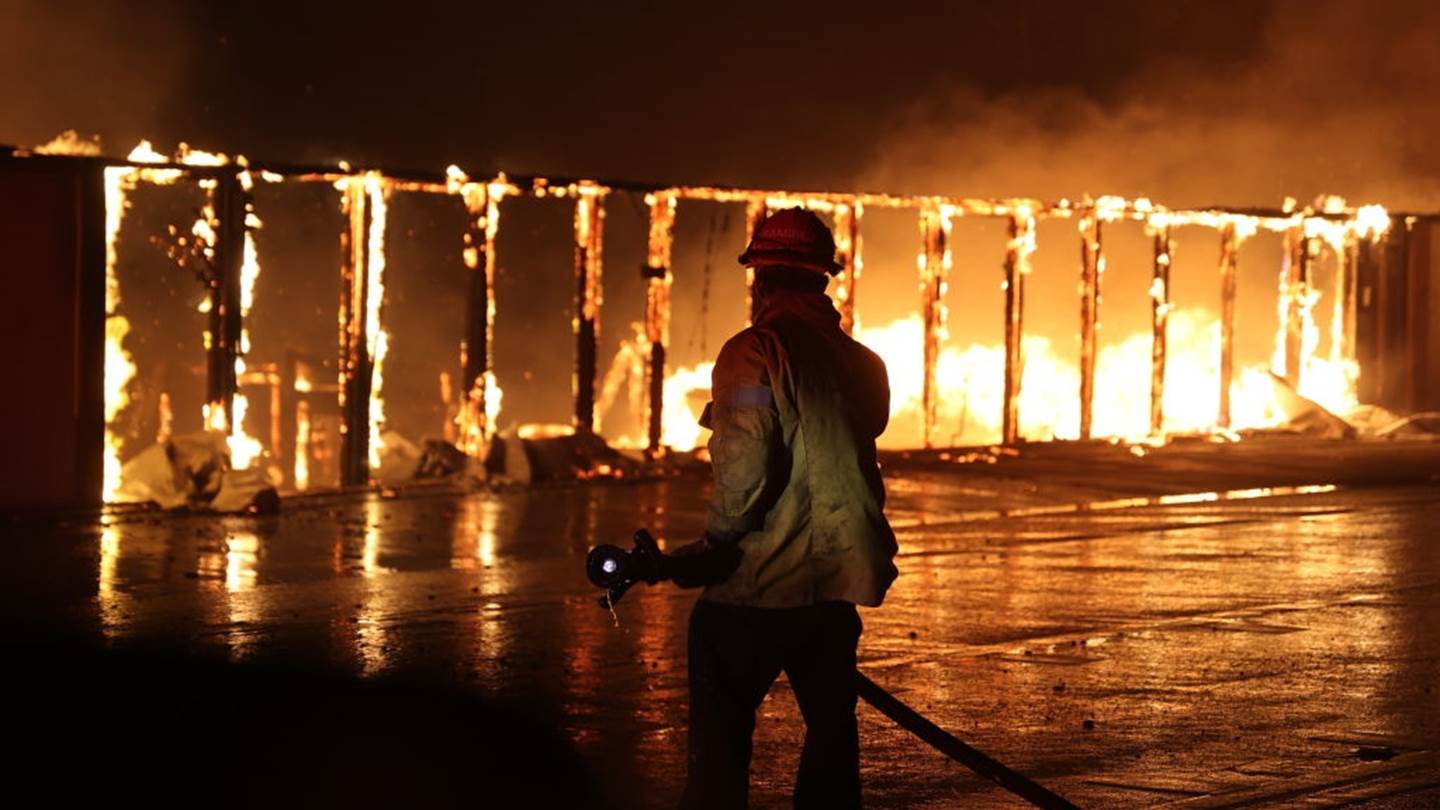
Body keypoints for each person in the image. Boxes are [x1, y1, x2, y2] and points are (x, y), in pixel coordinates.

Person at [676, 207, 898, 809]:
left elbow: (745, 468)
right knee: (831, 735)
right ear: (824, 278)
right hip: (833, 588)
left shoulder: (753, 351)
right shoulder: (863, 362)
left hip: (758, 584)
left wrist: (717, 546)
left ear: (761, 278)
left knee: (720, 739)